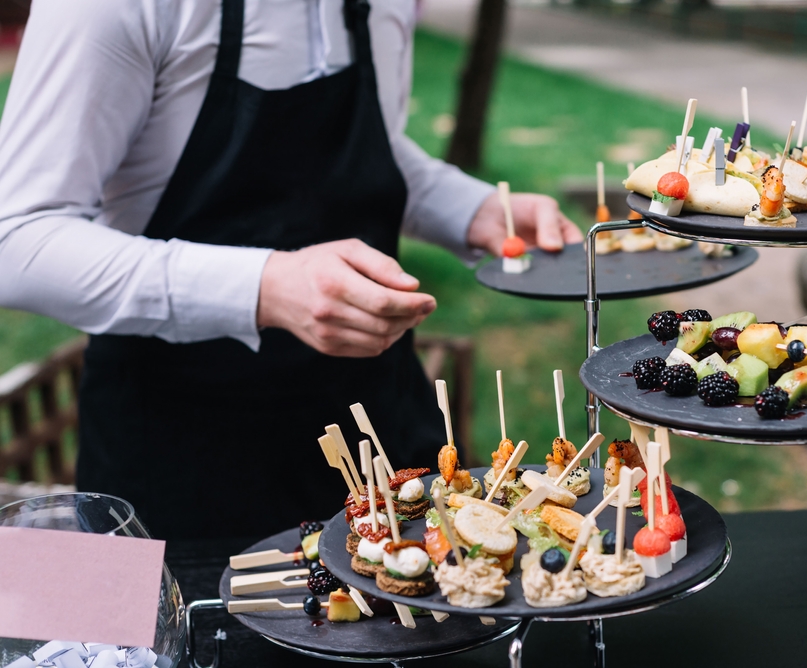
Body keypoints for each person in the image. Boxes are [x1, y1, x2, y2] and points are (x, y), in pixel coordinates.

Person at [0, 0, 583, 539]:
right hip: (177, 463)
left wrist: (471, 208)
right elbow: (19, 238)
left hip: (379, 431)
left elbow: (372, 146)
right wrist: (268, 287)